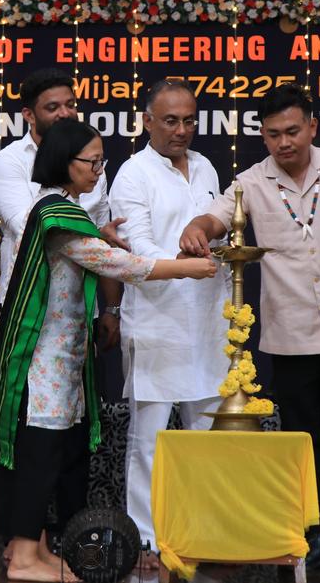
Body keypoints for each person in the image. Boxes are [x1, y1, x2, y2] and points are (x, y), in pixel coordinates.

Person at [179, 84, 320, 572]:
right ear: (261, 136)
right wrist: (198, 226)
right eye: (272, 134)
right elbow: (219, 217)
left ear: (312, 128)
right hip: (290, 336)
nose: (283, 143)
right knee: (303, 444)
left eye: (292, 131)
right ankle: (313, 534)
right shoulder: (249, 182)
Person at [0, 118, 219, 583]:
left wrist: (102, 234)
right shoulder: (57, 214)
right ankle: (21, 558)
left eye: (101, 161)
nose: (98, 171)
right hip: (42, 361)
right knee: (39, 455)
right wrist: (185, 268)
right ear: (64, 162)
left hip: (64, 356)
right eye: (91, 162)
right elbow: (123, 265)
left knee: (51, 453)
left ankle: (34, 549)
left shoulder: (67, 210)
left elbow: (97, 250)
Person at [107, 79, 229, 567]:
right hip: (157, 321)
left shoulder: (205, 166)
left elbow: (217, 236)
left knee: (205, 436)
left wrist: (211, 252)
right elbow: (135, 250)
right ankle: (145, 539)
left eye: (190, 120)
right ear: (147, 121)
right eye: (171, 121)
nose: (182, 130)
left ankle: (196, 532)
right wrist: (187, 260)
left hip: (208, 322)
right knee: (151, 440)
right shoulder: (132, 174)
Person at [0, 68, 129, 350]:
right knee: (28, 394)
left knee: (80, 394)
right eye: (53, 107)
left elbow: (105, 244)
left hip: (82, 309)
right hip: (28, 309)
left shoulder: (90, 163)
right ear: (29, 115)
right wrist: (94, 234)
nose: (65, 113)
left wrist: (112, 309)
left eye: (71, 105)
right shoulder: (10, 160)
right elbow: (31, 227)